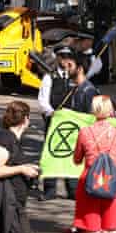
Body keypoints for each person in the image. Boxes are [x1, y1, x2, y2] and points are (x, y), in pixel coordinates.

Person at [73, 95, 116, 233]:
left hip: (90, 183)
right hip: (112, 183)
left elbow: (77, 159)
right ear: (110, 110)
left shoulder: (84, 132)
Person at [0, 100, 38, 233]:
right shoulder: (4, 138)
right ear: (26, 119)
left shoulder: (13, 139)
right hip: (7, 206)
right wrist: (22, 169)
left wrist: (27, 168)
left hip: (15, 204)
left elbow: (10, 163)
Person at [37, 46, 77, 201]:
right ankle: (50, 189)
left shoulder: (75, 77)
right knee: (51, 154)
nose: (66, 60)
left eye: (69, 56)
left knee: (72, 154)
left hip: (71, 122)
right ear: (58, 58)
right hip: (54, 121)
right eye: (63, 56)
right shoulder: (49, 77)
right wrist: (51, 112)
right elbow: (42, 101)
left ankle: (72, 189)